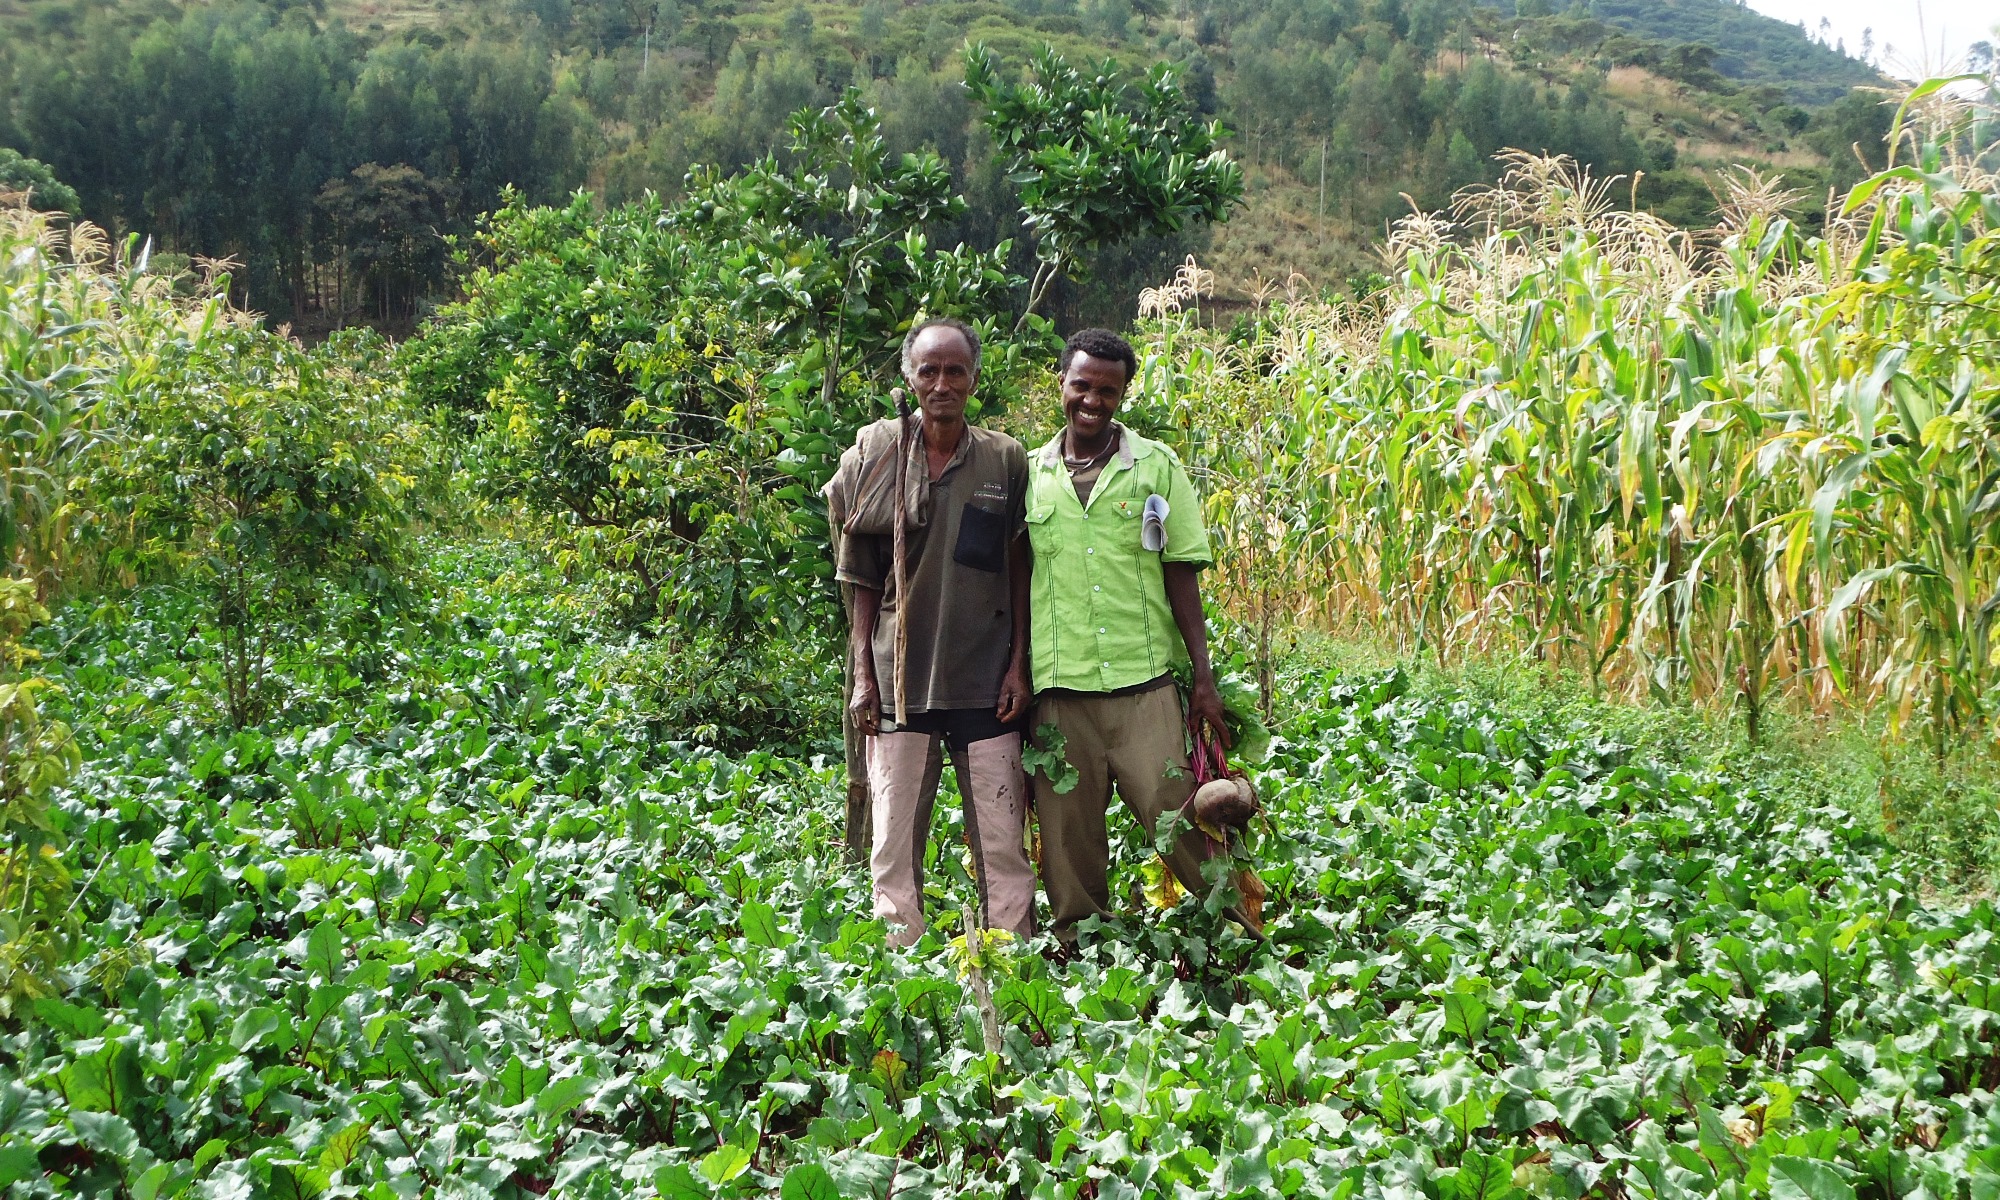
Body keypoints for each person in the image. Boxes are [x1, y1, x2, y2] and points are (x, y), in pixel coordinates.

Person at [1023, 327, 1233, 940]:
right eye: (1081, 385)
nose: (1092, 400)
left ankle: (1238, 931)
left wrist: (1203, 679)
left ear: (1123, 395)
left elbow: (1181, 576)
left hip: (1145, 688)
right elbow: (1014, 583)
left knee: (1184, 822)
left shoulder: (1156, 468)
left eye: (1107, 391)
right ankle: (1081, 954)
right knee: (1068, 846)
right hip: (1060, 693)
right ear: (1060, 384)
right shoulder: (1029, 474)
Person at [833, 318, 1036, 947]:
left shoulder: (1004, 459)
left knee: (1002, 843)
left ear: (974, 379)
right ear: (909, 378)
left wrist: (1018, 666)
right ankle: (901, 964)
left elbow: (1022, 570)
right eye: (929, 371)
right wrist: (865, 674)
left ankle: (1012, 963)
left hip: (985, 686)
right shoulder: (878, 453)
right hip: (900, 683)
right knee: (893, 848)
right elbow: (861, 576)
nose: (941, 383)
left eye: (954, 371)